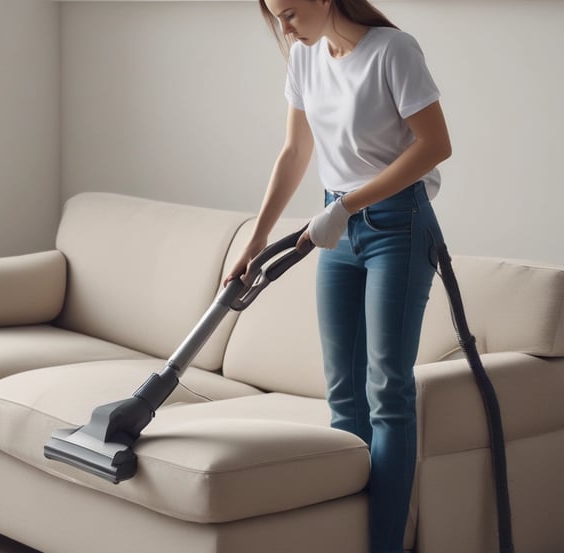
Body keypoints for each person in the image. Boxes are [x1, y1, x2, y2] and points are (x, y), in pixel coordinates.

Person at [224, 1, 451, 552]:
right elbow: (294, 151)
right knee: (345, 396)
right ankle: (349, 535)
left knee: (387, 393)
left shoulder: (393, 51)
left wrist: (347, 205)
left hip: (399, 225)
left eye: (290, 13)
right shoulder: (305, 58)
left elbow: (435, 146)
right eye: (275, 18)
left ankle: (385, 545)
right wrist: (255, 238)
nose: (284, 29)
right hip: (338, 228)